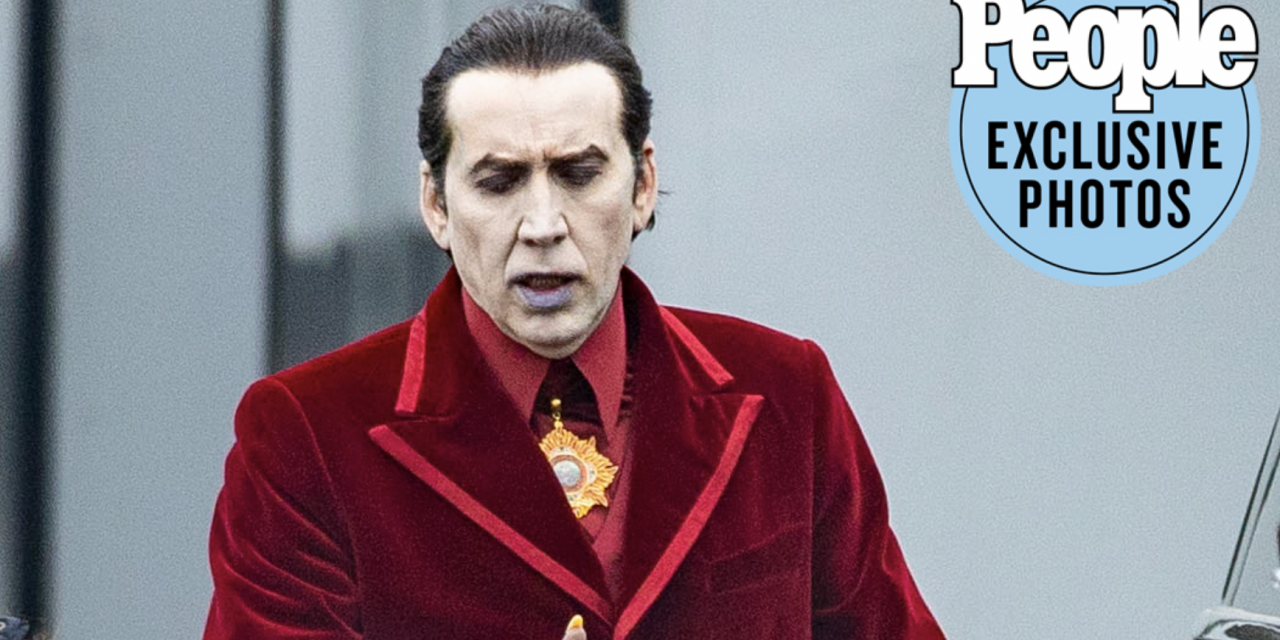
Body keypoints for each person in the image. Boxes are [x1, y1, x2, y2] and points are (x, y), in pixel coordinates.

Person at [202, 5, 945, 639]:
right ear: (436, 205)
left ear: (643, 185)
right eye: (499, 181)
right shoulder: (307, 434)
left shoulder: (786, 394)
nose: (543, 224)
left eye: (578, 174)